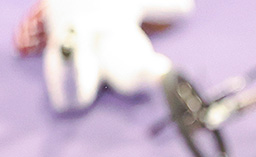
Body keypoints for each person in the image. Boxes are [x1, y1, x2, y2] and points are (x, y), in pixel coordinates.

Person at [15, 0, 189, 113]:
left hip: (93, 34)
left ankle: (68, 59)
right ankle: (160, 74)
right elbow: (179, 6)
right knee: (132, 69)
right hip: (102, 33)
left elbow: (22, 41)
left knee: (131, 71)